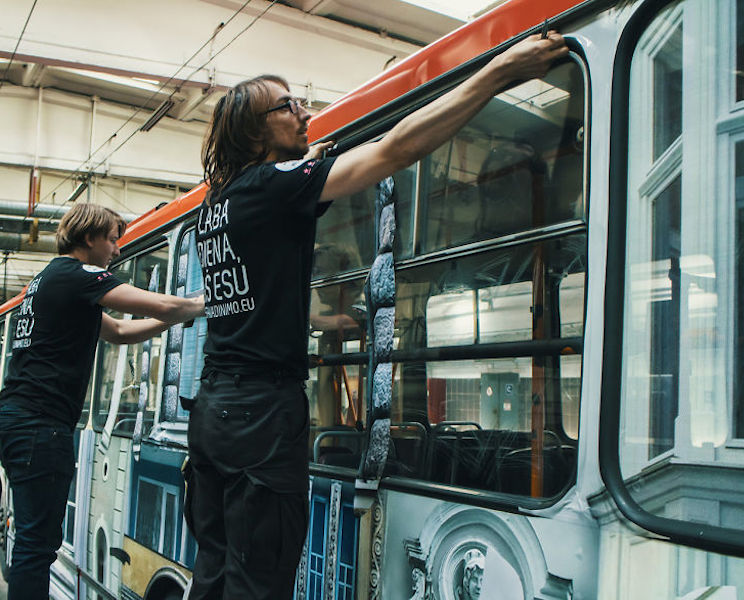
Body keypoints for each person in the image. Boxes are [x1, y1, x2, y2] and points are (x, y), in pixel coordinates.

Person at [185, 32, 568, 599]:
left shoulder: (216, 206)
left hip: (214, 412)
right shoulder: (275, 188)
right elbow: (394, 151)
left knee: (214, 574)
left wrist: (324, 322)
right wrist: (500, 72)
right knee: (260, 580)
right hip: (261, 417)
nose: (303, 112)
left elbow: (254, 294)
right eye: (287, 106)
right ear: (254, 130)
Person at [0, 203, 204, 600]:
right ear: (88, 238)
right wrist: (207, 303)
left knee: (32, 543)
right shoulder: (80, 275)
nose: (116, 250)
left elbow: (120, 331)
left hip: (15, 419)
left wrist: (175, 319)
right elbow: (160, 304)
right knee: (37, 549)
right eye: (111, 239)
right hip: (39, 424)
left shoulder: (49, 281)